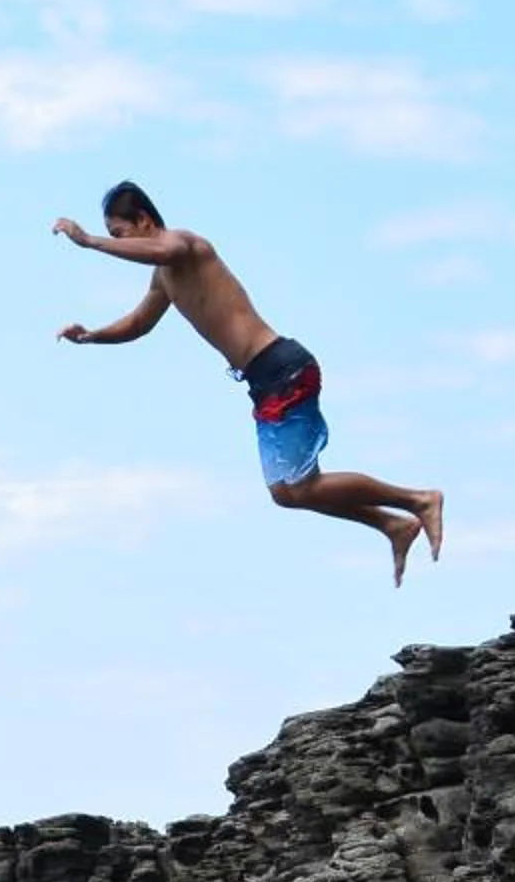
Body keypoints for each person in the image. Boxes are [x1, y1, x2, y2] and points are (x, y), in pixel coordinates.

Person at [54, 181, 443, 586]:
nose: (117, 243)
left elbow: (163, 250)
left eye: (120, 233)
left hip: (283, 368)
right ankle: (393, 525)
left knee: (298, 486)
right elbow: (138, 324)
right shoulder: (164, 278)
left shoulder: (186, 245)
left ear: (144, 221)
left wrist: (89, 242)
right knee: (287, 491)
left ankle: (418, 500)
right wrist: (92, 335)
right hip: (264, 381)